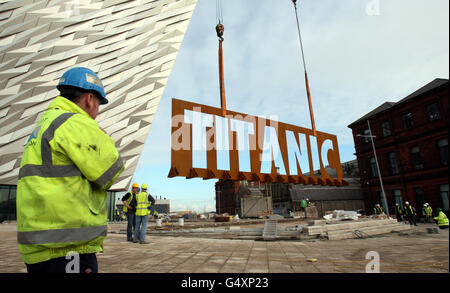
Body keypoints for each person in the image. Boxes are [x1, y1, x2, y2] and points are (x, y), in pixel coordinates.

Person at [17, 67, 125, 273]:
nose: (97, 110)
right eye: (99, 104)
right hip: (67, 248)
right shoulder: (75, 122)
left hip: (40, 247)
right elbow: (111, 171)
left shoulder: (46, 123)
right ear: (90, 99)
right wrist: (102, 137)